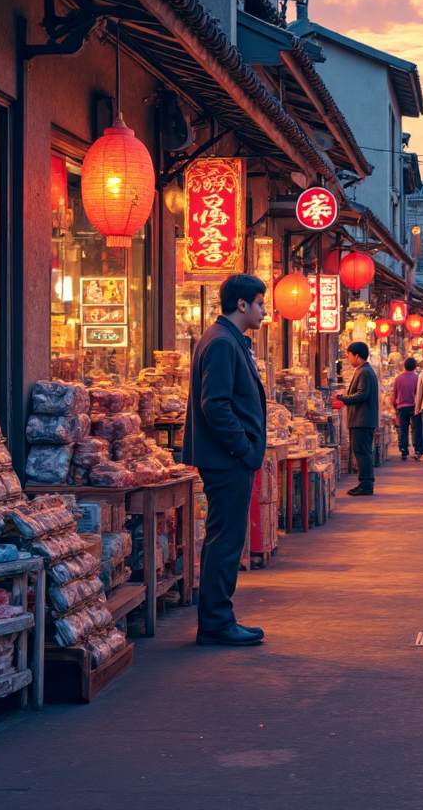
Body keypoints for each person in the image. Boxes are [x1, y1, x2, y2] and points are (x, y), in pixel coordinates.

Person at [183, 273, 268, 647]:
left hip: (228, 456)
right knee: (225, 540)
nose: (265, 311)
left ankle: (218, 618)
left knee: (226, 538)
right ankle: (216, 622)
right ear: (242, 304)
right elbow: (214, 405)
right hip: (227, 458)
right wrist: (244, 448)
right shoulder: (220, 342)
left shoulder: (229, 339)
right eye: (261, 303)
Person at [340, 341, 379, 496]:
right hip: (362, 419)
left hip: (362, 419)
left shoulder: (364, 372)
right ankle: (365, 482)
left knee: (362, 452)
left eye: (349, 355)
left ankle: (366, 484)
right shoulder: (364, 371)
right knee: (363, 452)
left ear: (356, 355)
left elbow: (362, 394)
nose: (348, 358)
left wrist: (344, 398)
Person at [391, 357, 423, 460]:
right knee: (416, 428)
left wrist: (394, 404)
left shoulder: (398, 378)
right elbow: (419, 393)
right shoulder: (417, 378)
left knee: (403, 429)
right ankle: (417, 448)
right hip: (414, 407)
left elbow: (394, 393)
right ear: (415, 366)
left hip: (401, 407)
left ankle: (404, 449)